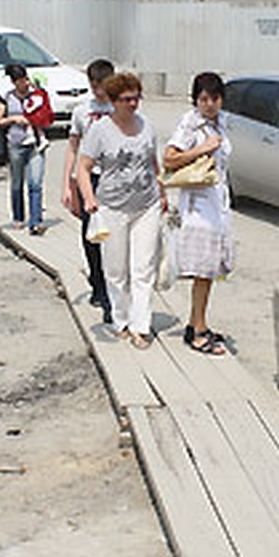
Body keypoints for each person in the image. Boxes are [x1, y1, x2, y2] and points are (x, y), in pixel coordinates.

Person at [77, 72, 165, 349]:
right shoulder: (100, 130)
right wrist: (88, 198)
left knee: (144, 267)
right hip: (112, 207)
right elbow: (83, 167)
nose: (133, 104)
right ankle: (121, 319)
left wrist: (162, 192)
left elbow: (153, 162)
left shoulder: (147, 126)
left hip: (146, 205)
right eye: (127, 99)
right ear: (114, 101)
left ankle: (141, 325)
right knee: (116, 269)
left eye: (136, 97)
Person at [163, 71, 234, 356]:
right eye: (203, 99)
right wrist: (201, 149)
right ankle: (198, 331)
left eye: (215, 98)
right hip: (198, 208)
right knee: (203, 270)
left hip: (219, 204)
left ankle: (197, 323)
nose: (209, 104)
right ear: (195, 100)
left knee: (211, 269)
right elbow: (169, 159)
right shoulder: (191, 124)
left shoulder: (222, 123)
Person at [61, 57, 115, 322]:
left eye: (103, 85)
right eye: (94, 85)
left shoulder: (122, 108)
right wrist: (67, 185)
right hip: (89, 180)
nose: (99, 91)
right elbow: (73, 148)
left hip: (116, 182)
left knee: (113, 239)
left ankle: (109, 296)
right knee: (90, 236)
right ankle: (97, 283)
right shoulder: (82, 111)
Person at [0, 63, 49, 235]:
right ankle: (18, 217)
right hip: (16, 145)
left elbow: (47, 113)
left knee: (35, 184)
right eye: (19, 81)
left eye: (25, 79)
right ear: (13, 82)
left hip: (35, 143)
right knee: (17, 183)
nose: (24, 83)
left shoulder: (37, 96)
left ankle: (36, 221)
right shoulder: (8, 98)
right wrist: (14, 119)